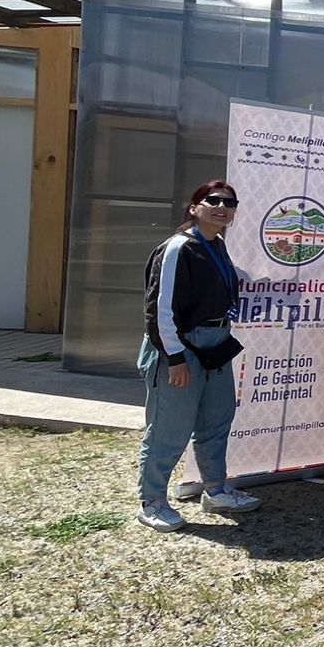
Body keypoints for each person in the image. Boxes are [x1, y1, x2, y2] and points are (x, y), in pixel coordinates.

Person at [136, 179, 260, 530]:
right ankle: (152, 501)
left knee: (216, 421)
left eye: (230, 203)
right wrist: (174, 357)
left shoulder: (217, 244)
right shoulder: (178, 247)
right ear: (194, 207)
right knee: (168, 429)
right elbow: (159, 308)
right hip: (183, 348)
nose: (223, 207)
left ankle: (216, 489)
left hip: (216, 344)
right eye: (214, 200)